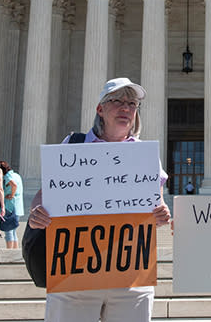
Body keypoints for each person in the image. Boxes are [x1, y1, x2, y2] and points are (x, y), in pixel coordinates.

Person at [28, 77, 172, 322]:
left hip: (130, 273)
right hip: (74, 271)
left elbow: (157, 206)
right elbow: (44, 198)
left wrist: (161, 215)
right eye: (117, 101)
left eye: (133, 103)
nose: (126, 108)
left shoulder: (145, 156)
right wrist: (37, 215)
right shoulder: (74, 146)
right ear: (100, 109)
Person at [0, 160, 24, 249]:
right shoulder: (17, 175)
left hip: (9, 206)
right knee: (13, 231)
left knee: (8, 231)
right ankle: (14, 251)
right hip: (18, 206)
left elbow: (14, 185)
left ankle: (9, 252)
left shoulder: (8, 176)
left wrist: (12, 195)